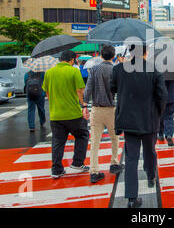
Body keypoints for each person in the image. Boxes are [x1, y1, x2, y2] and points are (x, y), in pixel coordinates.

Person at [111, 44, 167, 208]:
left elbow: (112, 88)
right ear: (145, 53)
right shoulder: (154, 70)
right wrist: (158, 112)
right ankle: (151, 176)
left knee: (131, 158)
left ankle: (131, 198)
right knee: (150, 151)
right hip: (149, 120)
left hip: (128, 120)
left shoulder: (119, 69)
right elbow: (162, 96)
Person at [42, 50, 90, 179]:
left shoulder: (49, 72)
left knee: (58, 141)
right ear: (72, 60)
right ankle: (77, 163)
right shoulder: (74, 71)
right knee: (82, 135)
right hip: (73, 113)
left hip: (55, 114)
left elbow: (47, 93)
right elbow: (80, 90)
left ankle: (56, 169)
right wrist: (84, 105)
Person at [83, 45, 125, 184]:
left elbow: (88, 89)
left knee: (95, 141)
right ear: (113, 56)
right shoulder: (115, 70)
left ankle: (94, 171)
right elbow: (121, 90)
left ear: (101, 55)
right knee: (115, 138)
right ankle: (114, 163)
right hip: (112, 109)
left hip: (96, 109)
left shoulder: (94, 69)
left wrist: (84, 106)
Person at [158, 80, 174, 146]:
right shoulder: (172, 71)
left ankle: (161, 134)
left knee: (160, 116)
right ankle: (169, 134)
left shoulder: (157, 71)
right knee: (169, 116)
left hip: (160, 97)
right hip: (171, 96)